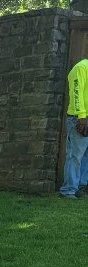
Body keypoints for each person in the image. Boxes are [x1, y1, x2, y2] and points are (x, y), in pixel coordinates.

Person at [61, 59, 88, 199]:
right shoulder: (81, 68)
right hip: (79, 119)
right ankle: (69, 190)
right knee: (75, 156)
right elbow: (76, 93)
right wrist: (82, 117)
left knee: (85, 156)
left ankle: (81, 188)